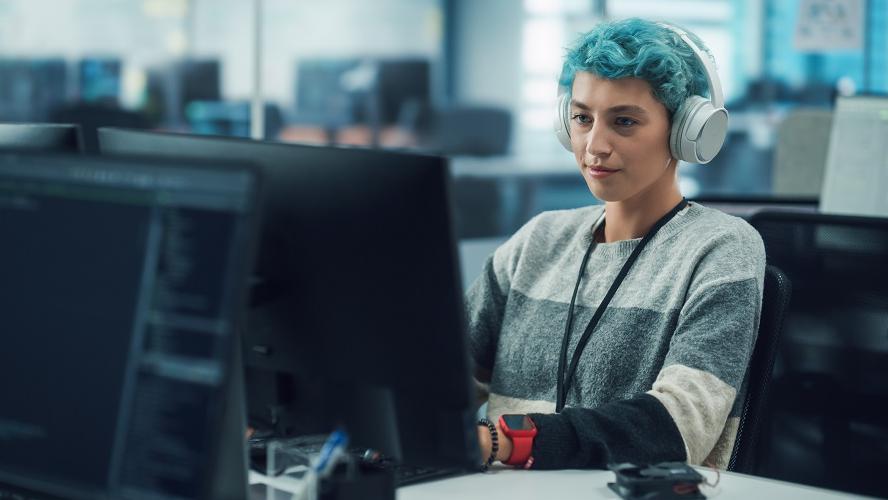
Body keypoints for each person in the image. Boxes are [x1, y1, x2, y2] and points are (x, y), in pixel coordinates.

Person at [467, 18, 765, 470]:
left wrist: (503, 442)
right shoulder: (538, 240)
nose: (594, 147)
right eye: (583, 119)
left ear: (687, 130)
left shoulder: (722, 249)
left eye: (624, 122)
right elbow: (442, 381)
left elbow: (676, 427)